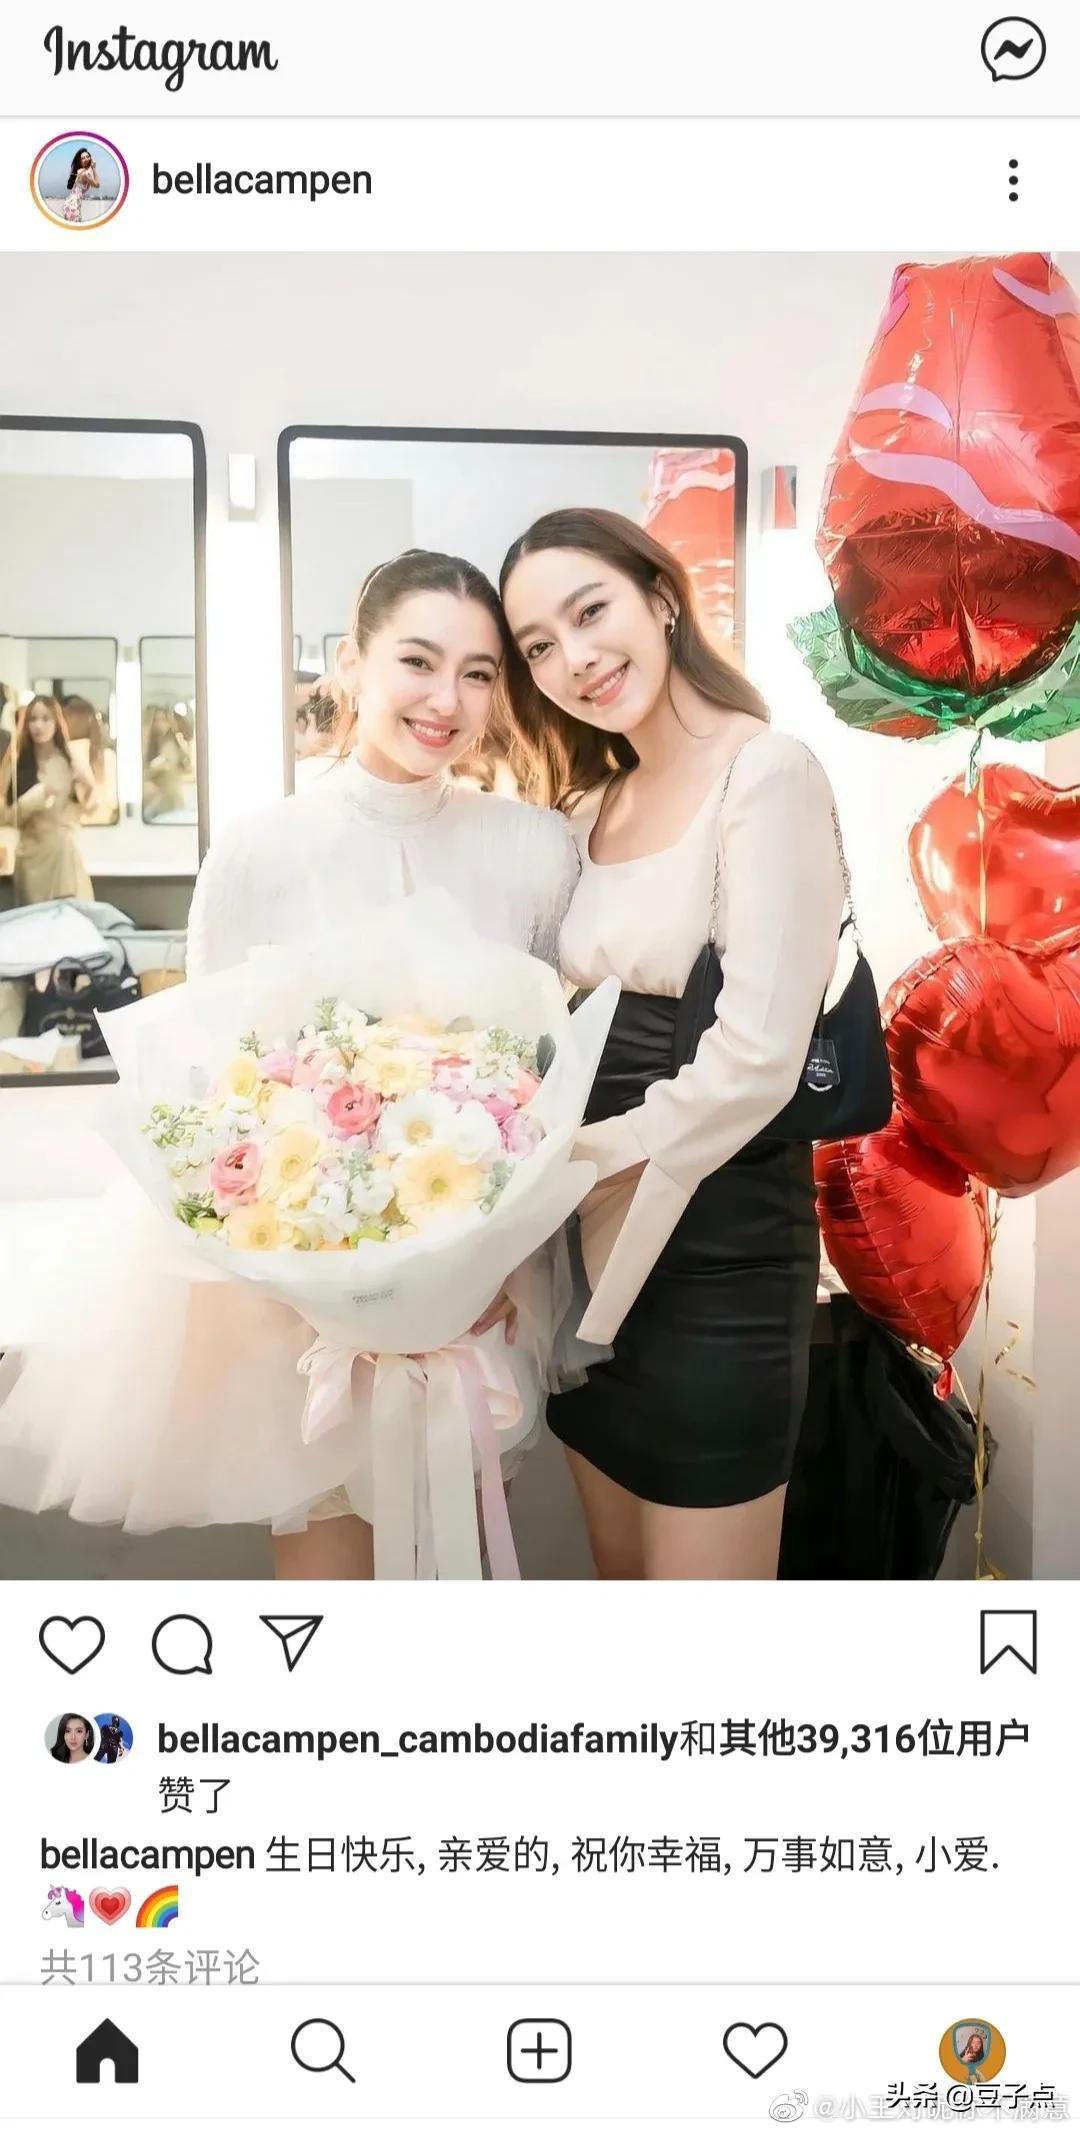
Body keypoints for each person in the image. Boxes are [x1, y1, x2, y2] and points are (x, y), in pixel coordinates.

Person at [0, 551, 580, 1582]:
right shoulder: (260, 850)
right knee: (326, 1592)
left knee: (453, 1581)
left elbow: (545, 1081)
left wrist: (490, 1268)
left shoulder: (538, 849)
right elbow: (214, 1090)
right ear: (352, 663)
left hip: (478, 1296)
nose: (447, 700)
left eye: (480, 673)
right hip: (291, 1299)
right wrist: (309, 1276)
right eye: (418, 661)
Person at [500, 507, 846, 1582]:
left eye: (589, 611)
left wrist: (570, 1162)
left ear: (660, 597)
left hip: (717, 1250)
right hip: (588, 1258)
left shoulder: (767, 772)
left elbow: (757, 1060)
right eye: (538, 646)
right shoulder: (586, 808)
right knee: (621, 1594)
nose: (573, 658)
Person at [0, 696, 93, 905]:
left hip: (63, 854)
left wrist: (88, 786)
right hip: (31, 857)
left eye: (45, 719)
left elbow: (86, 809)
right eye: (33, 719)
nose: (38, 726)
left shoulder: (69, 760)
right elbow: (5, 817)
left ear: (56, 723)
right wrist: (36, 797)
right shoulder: (16, 764)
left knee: (69, 914)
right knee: (36, 919)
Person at [62, 148, 99, 224]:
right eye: (83, 158)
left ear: (90, 158)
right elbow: (97, 185)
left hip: (70, 205)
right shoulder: (84, 174)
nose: (86, 159)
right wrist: (94, 168)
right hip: (73, 206)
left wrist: (91, 167)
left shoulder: (79, 171)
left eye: (87, 156)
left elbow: (89, 171)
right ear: (80, 161)